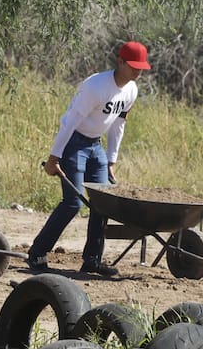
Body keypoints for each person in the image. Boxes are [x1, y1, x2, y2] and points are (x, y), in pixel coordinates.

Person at [27, 41, 151, 277]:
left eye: (141, 67)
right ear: (120, 61)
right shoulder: (96, 86)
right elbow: (70, 122)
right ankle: (37, 253)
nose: (138, 71)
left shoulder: (131, 90)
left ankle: (92, 260)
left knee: (102, 203)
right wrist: (54, 158)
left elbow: (118, 124)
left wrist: (111, 160)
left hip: (95, 147)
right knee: (72, 202)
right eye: (133, 66)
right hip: (74, 143)